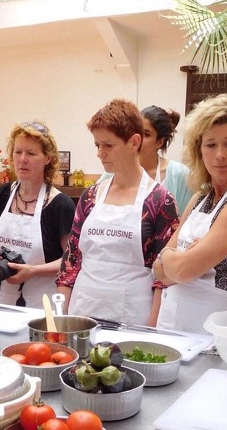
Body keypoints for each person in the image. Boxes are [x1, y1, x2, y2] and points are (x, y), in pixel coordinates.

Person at [154, 93, 227, 333]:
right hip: (174, 320)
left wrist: (172, 257)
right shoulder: (201, 197)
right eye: (210, 144)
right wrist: (179, 258)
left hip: (215, 328)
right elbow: (159, 273)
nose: (220, 154)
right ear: (199, 150)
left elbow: (179, 270)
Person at [56, 99, 179, 325]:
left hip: (132, 317)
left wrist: (151, 330)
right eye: (97, 145)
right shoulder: (90, 197)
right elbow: (71, 261)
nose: (100, 153)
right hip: (81, 312)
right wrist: (60, 318)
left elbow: (165, 275)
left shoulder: (160, 200)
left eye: (108, 145)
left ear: (134, 142)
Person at [0, 121, 75, 308]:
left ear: (48, 158)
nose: (23, 159)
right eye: (18, 152)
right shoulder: (2, 195)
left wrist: (32, 271)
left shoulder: (59, 205)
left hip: (41, 304)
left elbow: (70, 261)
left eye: (31, 153)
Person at [96, 106, 191, 214]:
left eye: (146, 134)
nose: (138, 139)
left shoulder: (179, 174)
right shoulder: (114, 171)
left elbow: (185, 222)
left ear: (159, 142)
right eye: (134, 133)